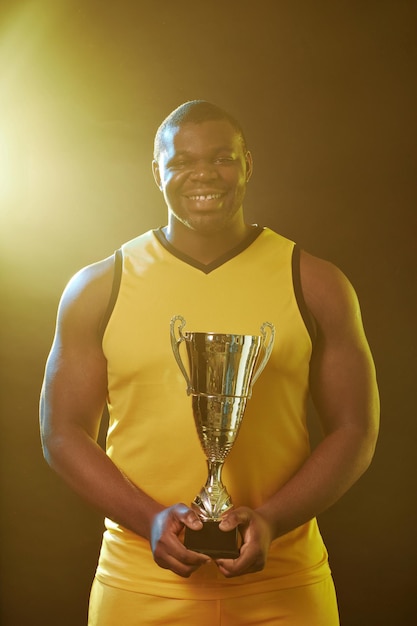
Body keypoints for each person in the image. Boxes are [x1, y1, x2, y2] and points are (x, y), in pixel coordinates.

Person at [40, 100, 380, 625]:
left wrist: (272, 519)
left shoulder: (315, 283)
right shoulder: (98, 287)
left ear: (248, 164)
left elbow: (355, 429)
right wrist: (150, 520)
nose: (203, 174)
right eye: (181, 162)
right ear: (157, 172)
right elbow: (62, 432)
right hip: (138, 586)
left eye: (222, 158)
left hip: (285, 585)